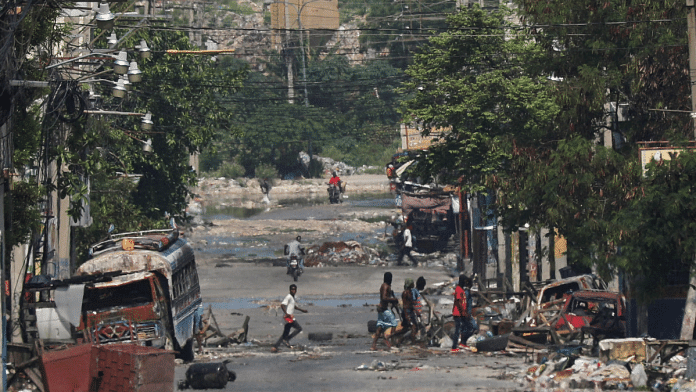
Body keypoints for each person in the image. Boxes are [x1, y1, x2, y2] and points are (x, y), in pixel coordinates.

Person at [271, 284, 308, 352]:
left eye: (294, 290)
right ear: (290, 290)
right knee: (299, 328)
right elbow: (282, 305)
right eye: (292, 289)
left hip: (289, 317)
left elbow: (294, 306)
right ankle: (286, 339)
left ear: (296, 290)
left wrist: (302, 310)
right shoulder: (288, 297)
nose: (293, 291)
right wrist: (286, 313)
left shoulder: (292, 297)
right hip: (288, 318)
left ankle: (275, 347)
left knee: (285, 333)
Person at [371, 272, 399, 351]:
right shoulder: (385, 286)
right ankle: (391, 341)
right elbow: (384, 298)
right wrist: (394, 299)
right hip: (383, 309)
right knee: (394, 323)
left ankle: (373, 345)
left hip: (381, 309)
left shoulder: (386, 286)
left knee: (380, 327)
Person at [451, 275, 475, 352]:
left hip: (461, 313)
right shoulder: (458, 289)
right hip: (458, 313)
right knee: (458, 330)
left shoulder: (461, 289)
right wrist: (463, 312)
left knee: (463, 328)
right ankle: (454, 347)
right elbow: (458, 302)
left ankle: (460, 343)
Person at [399, 278, 419, 345]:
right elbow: (405, 305)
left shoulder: (410, 292)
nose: (414, 284)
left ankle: (399, 340)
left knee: (406, 328)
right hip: (407, 312)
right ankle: (413, 344)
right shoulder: (405, 293)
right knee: (413, 327)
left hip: (410, 312)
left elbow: (410, 303)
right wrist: (407, 315)